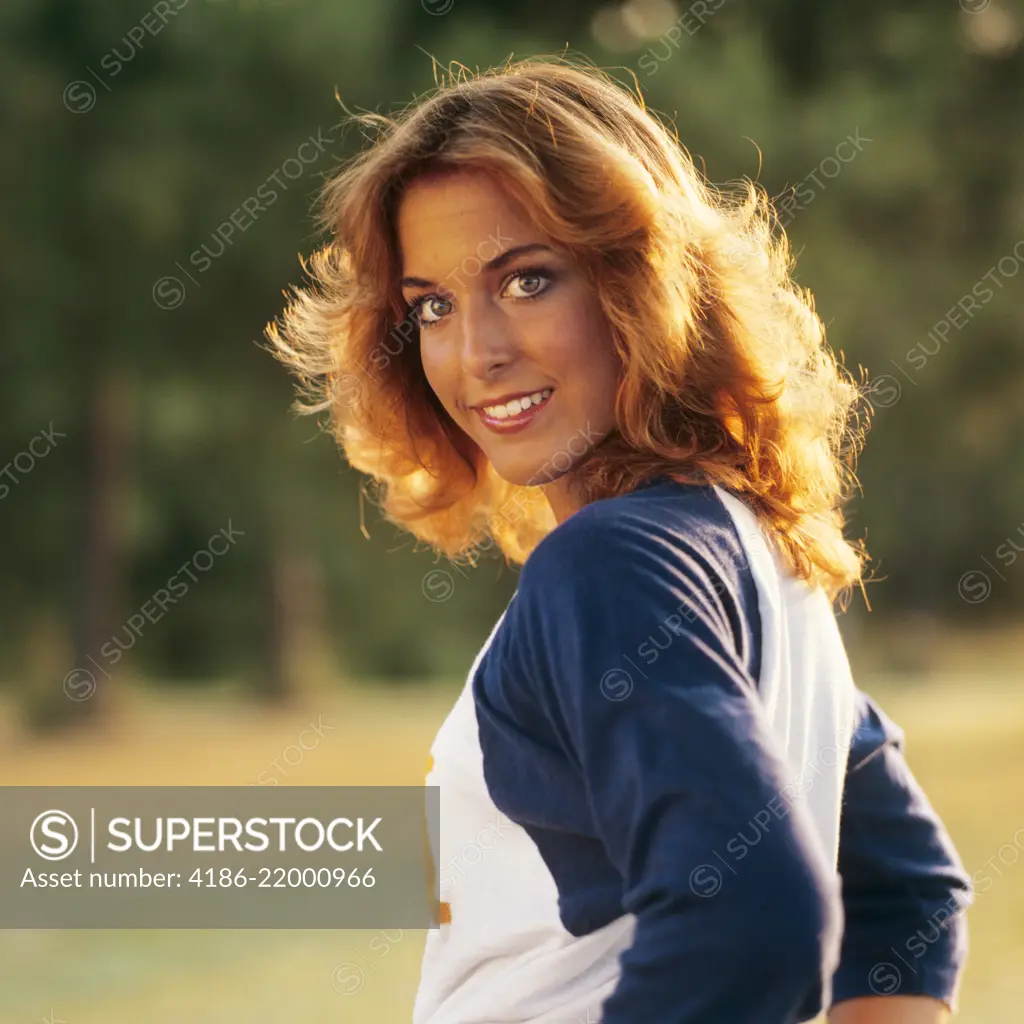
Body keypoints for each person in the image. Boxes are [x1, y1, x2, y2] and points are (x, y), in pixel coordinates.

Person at [264, 56, 973, 1024]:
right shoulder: (744, 547)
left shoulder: (612, 567)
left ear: (640, 280)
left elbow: (752, 924)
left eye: (526, 280)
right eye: (430, 304)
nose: (476, 352)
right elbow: (902, 898)